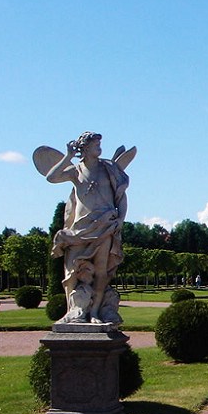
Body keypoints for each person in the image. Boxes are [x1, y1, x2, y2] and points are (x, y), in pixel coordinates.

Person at [36, 131, 134, 325]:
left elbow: (121, 197)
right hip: (79, 229)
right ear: (86, 148)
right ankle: (72, 311)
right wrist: (68, 156)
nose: (100, 147)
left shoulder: (109, 168)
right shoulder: (75, 170)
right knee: (71, 270)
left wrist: (120, 221)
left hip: (105, 225)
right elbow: (51, 177)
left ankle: (96, 312)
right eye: (96, 144)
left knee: (101, 271)